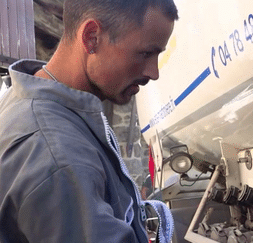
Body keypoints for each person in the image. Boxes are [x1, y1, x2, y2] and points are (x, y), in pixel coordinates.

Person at [0, 0, 178, 242]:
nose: (153, 72)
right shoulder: (57, 155)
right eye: (146, 53)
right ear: (92, 37)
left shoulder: (46, 104)